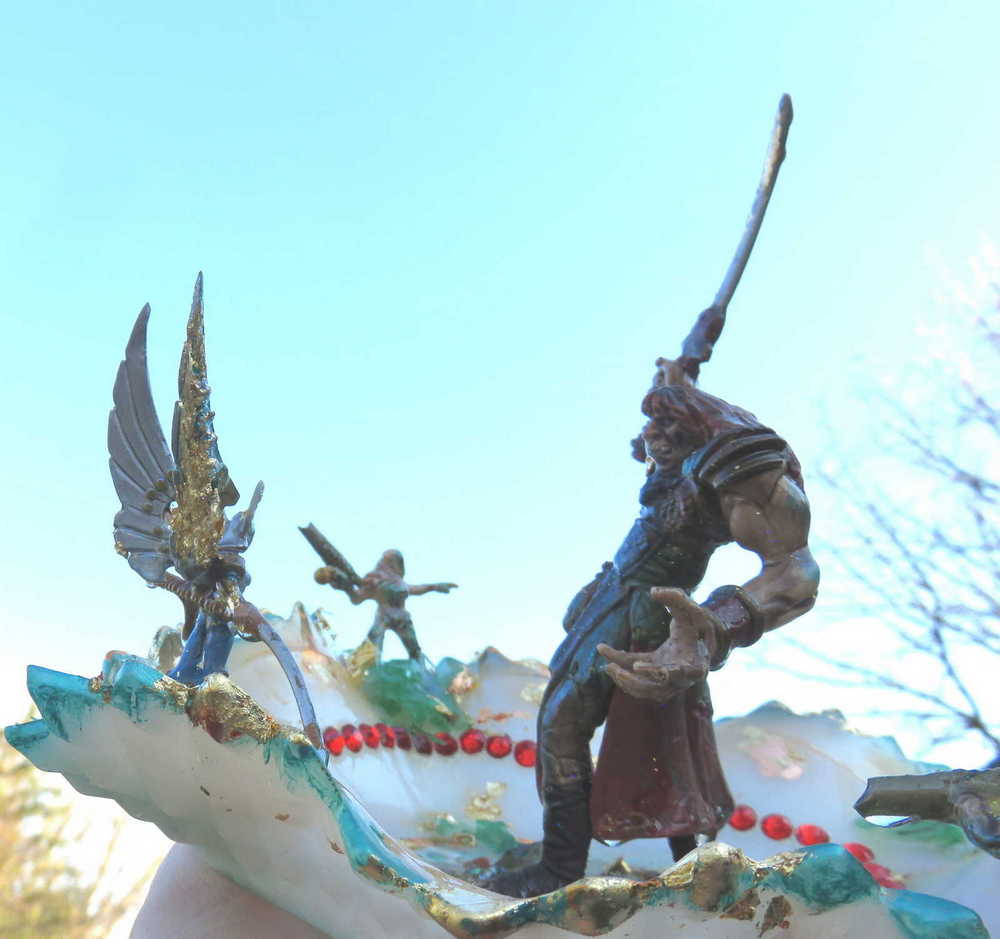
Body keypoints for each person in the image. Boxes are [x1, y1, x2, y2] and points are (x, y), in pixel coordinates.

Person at [487, 359, 820, 897]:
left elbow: (796, 571)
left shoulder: (736, 465)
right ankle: (598, 865)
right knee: (623, 736)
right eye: (652, 424)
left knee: (652, 742)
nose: (654, 435)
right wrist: (681, 367)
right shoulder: (667, 464)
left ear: (695, 428)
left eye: (669, 426)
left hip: (656, 624)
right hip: (612, 604)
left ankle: (587, 870)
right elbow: (668, 393)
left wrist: (714, 626)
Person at [316, 549, 456, 660]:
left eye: (390, 560)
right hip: (384, 617)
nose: (386, 562)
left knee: (415, 651)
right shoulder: (373, 580)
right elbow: (357, 598)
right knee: (373, 646)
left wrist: (436, 586)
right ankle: (362, 670)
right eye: (385, 559)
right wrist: (343, 584)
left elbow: (417, 589)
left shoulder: (398, 582)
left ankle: (421, 674)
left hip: (402, 619)